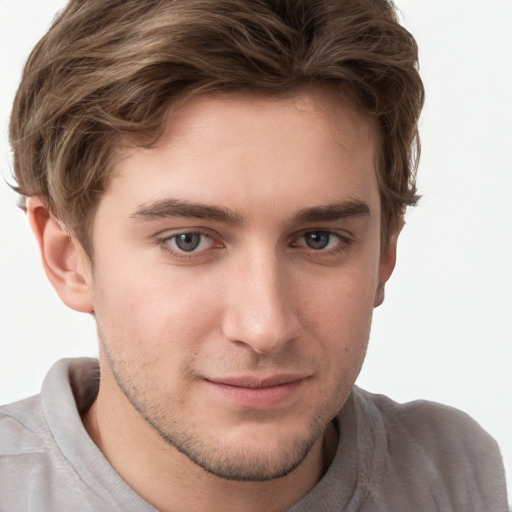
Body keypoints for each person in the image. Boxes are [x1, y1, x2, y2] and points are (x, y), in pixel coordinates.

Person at [0, 0, 508, 510]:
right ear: (68, 258)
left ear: (384, 253)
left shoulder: (453, 476)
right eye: (189, 241)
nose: (265, 327)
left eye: (319, 239)